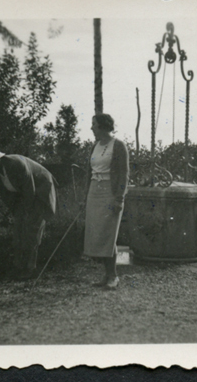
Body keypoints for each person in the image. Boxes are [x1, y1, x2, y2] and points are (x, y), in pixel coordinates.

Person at [0, 143, 57, 279]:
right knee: (18, 228)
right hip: (23, 195)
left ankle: (31, 268)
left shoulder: (16, 164)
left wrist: (27, 214)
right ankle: (18, 266)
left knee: (32, 227)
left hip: (40, 190)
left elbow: (30, 191)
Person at [84, 114, 129, 289]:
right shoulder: (94, 146)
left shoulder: (118, 146)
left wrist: (119, 198)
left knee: (108, 235)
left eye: (94, 124)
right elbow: (89, 173)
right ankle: (106, 275)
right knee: (97, 235)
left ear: (103, 126)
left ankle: (113, 276)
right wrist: (84, 197)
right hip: (94, 192)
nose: (91, 128)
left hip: (110, 192)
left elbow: (124, 174)